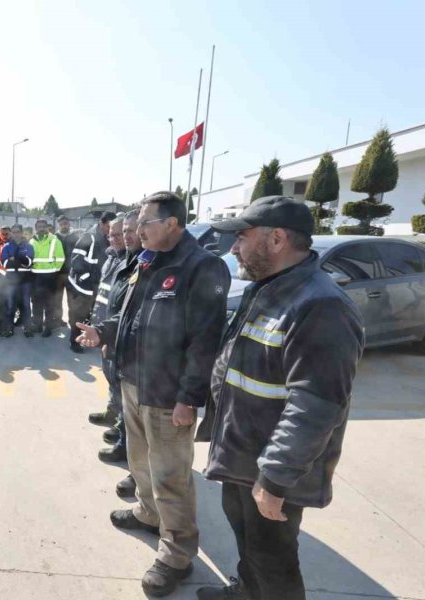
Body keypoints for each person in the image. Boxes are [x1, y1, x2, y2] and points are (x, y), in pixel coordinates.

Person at [196, 197, 365, 600]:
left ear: (276, 239)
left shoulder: (321, 306)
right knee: (246, 540)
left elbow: (316, 406)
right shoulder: (268, 289)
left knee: (273, 560)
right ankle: (246, 591)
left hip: (271, 467)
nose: (234, 248)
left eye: (242, 237)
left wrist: (274, 477)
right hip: (242, 454)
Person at [77, 192, 230, 597]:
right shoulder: (147, 261)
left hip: (167, 394)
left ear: (172, 224)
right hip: (133, 381)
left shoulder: (201, 267)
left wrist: (189, 398)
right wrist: (103, 332)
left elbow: (205, 342)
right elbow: (130, 315)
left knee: (171, 477)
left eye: (145, 223)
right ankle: (148, 513)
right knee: (140, 461)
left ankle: (177, 555)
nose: (137, 230)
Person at [91, 213, 139, 470]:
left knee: (121, 384)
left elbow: (124, 308)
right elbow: (105, 295)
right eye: (112, 234)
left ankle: (123, 432)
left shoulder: (132, 262)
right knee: (110, 377)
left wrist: (109, 334)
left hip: (116, 333)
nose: (117, 238)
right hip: (105, 328)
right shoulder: (111, 258)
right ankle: (114, 414)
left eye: (121, 234)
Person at [66, 211, 115, 353]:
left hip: (97, 285)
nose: (110, 230)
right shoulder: (89, 237)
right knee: (78, 314)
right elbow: (76, 262)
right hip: (82, 286)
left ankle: (88, 337)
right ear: (101, 223)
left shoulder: (108, 238)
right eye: (108, 226)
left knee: (92, 313)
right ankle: (74, 341)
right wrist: (89, 279)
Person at [29, 219, 65, 338]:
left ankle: (48, 327)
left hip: (50, 277)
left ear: (47, 227)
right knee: (36, 303)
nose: (41, 229)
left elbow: (60, 258)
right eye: (39, 227)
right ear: (36, 228)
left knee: (49, 304)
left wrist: (54, 270)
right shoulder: (32, 241)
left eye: (43, 226)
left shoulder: (54, 240)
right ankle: (38, 325)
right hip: (35, 276)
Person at [0, 224, 34, 337]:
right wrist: (21, 259)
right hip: (11, 281)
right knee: (10, 305)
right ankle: (9, 328)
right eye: (14, 232)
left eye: (18, 231)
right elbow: (4, 263)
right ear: (11, 233)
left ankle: (27, 328)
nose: (16, 234)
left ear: (22, 232)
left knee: (26, 305)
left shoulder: (29, 246)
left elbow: (29, 262)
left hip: (25, 280)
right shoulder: (6, 247)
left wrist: (14, 258)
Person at [55, 215, 79, 331]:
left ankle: (72, 320)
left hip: (71, 273)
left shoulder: (75, 237)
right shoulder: (54, 238)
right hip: (58, 274)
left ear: (69, 224)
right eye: (61, 224)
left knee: (71, 299)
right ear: (58, 225)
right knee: (57, 298)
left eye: (65, 224)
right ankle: (59, 320)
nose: (64, 226)